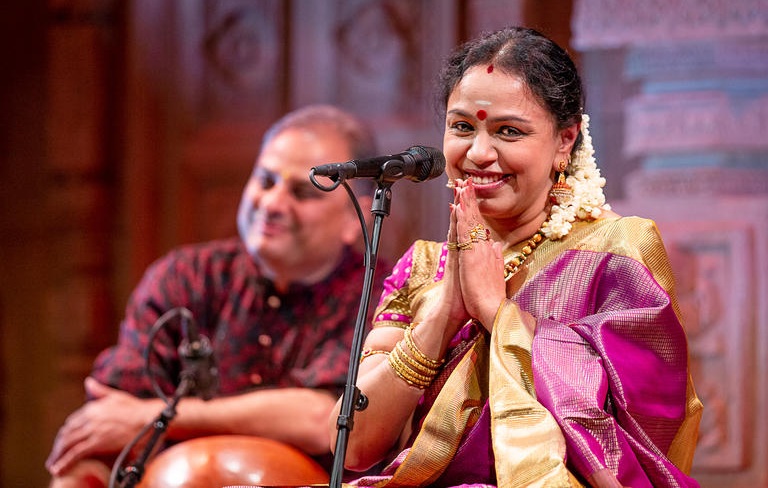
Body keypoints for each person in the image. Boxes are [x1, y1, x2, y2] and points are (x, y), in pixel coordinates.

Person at [330, 27, 703, 487]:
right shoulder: (425, 265)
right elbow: (353, 444)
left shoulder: (617, 251)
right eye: (462, 126)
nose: (479, 153)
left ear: (564, 141)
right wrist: (444, 313)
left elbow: (639, 436)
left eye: (509, 131)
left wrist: (496, 313)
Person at [46, 105, 385, 487]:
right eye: (265, 180)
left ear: (356, 219)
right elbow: (111, 416)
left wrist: (158, 416)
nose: (272, 204)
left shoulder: (381, 292)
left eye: (303, 192)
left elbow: (322, 418)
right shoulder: (186, 277)